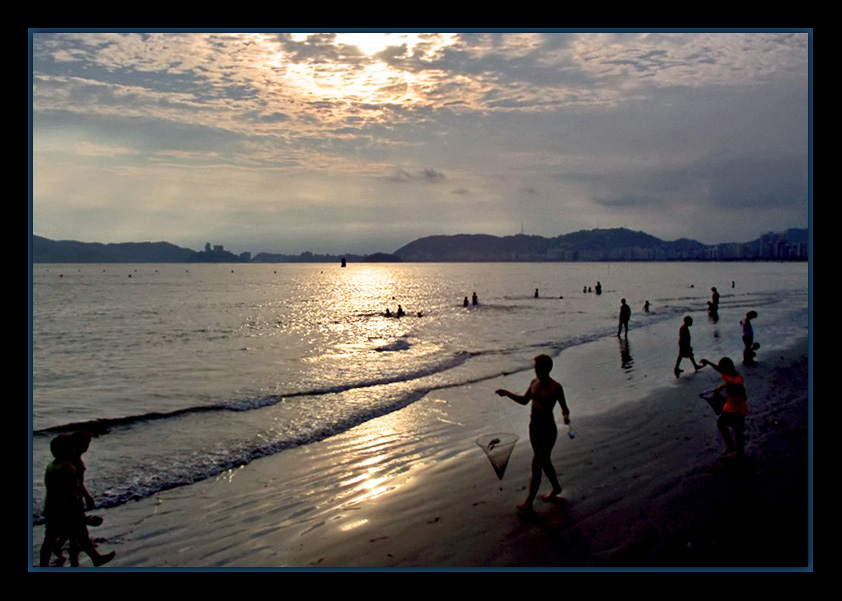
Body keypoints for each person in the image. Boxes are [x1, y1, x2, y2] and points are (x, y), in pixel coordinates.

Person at [495, 354, 570, 514]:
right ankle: (556, 488)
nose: (535, 370)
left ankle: (529, 502)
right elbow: (524, 400)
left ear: (546, 368)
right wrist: (506, 393)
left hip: (548, 429)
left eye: (538, 368)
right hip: (534, 428)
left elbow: (564, 406)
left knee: (537, 463)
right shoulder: (534, 383)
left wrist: (565, 415)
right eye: (535, 367)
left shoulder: (556, 387)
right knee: (544, 461)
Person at [39, 434, 115, 567]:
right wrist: (83, 517)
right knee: (82, 534)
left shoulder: (51, 466)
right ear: (69, 450)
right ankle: (96, 558)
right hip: (67, 510)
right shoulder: (68, 468)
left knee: (49, 539)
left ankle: (43, 564)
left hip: (51, 509)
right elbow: (70, 494)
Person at [700, 357, 748, 458]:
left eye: (723, 368)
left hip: (738, 408)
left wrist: (726, 388)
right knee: (721, 423)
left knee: (737, 430)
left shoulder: (737, 379)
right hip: (730, 405)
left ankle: (739, 450)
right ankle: (731, 446)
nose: (722, 371)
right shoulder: (728, 373)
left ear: (728, 368)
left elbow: (741, 391)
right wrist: (708, 362)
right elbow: (718, 369)